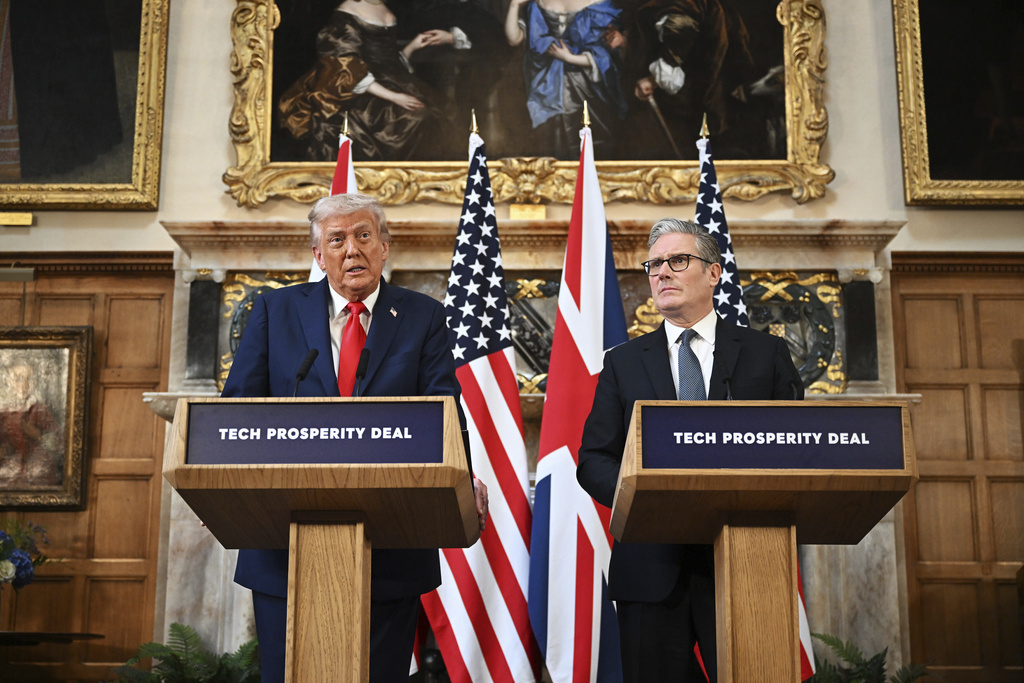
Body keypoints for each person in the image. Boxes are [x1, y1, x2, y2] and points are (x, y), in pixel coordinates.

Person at [222, 193, 488, 683]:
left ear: (384, 247)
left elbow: (444, 410)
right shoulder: (275, 311)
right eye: (337, 240)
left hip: (390, 545)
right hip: (285, 546)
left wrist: (461, 479)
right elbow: (240, 408)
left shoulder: (423, 316)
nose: (352, 250)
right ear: (318, 256)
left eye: (364, 235)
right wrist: (224, 484)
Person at [576, 218, 802, 682]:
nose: (661, 272)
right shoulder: (623, 363)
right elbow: (594, 460)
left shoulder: (765, 355)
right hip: (651, 566)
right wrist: (648, 499)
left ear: (714, 273)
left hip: (747, 564)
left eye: (677, 260)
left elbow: (796, 447)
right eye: (654, 264)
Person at [278, 0, 452, 162]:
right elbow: (345, 67)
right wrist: (395, 97)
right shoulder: (346, 13)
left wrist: (412, 47)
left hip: (391, 80)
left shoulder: (382, 5)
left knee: (442, 111)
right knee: (412, 119)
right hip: (358, 89)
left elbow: (387, 63)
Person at [504, 0, 628, 160]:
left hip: (588, 88)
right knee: (551, 146)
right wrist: (514, 5)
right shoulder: (535, 4)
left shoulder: (598, 4)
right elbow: (514, 39)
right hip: (546, 88)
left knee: (591, 144)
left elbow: (605, 56)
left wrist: (569, 58)